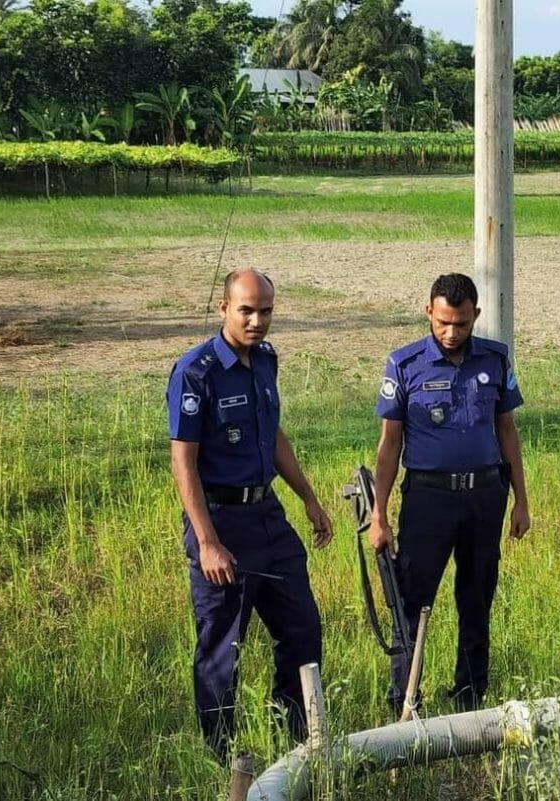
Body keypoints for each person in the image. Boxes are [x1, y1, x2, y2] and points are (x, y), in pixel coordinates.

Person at [167, 269, 333, 762]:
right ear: (224, 309)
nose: (257, 320)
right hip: (221, 521)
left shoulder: (266, 360)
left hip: (268, 515)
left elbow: (273, 434)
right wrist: (208, 541)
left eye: (265, 311)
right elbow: (183, 461)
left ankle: (297, 740)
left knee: (302, 628)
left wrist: (307, 496)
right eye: (246, 310)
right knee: (223, 647)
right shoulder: (195, 372)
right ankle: (222, 758)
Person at [368, 272, 530, 715]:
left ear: (475, 315)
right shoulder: (404, 365)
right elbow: (389, 445)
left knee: (477, 596)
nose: (451, 332)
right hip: (428, 500)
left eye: (461, 323)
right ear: (428, 313)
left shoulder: (495, 360)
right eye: (442, 322)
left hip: (484, 497)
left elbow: (507, 430)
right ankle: (405, 696)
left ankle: (470, 694)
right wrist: (379, 514)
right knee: (412, 599)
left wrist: (521, 499)